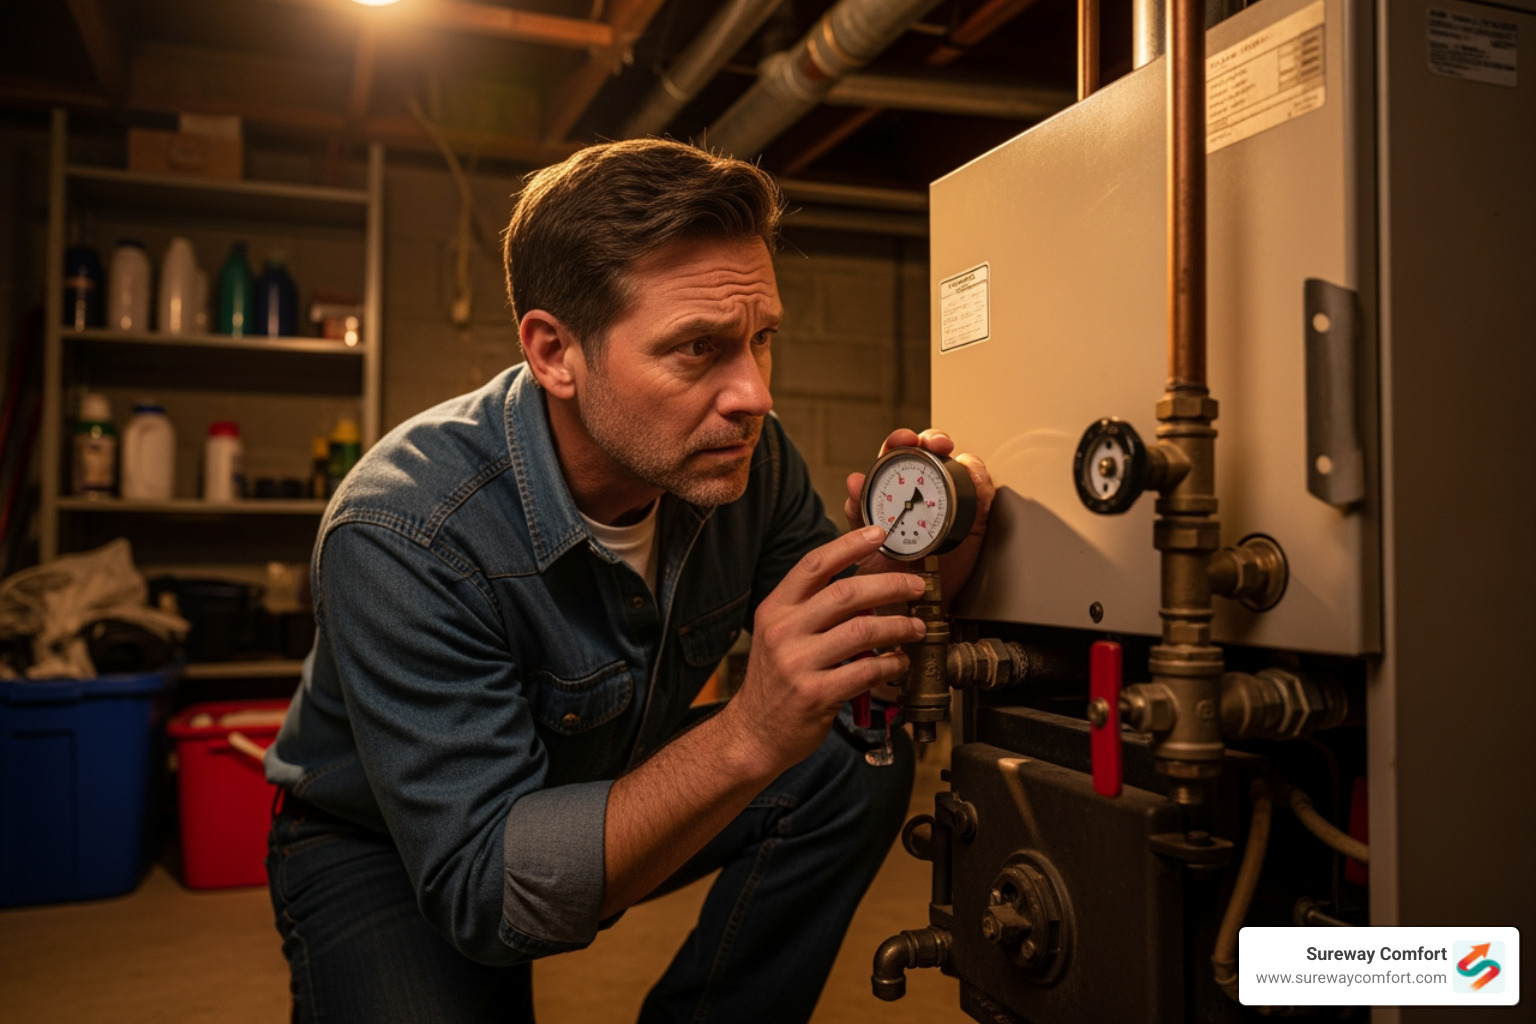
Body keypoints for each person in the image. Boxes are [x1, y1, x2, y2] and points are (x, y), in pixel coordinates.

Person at [264, 138, 993, 1023]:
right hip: (395, 842)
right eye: (698, 348)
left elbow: (839, 654)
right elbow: (489, 892)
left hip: (605, 769)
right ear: (554, 352)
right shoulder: (403, 530)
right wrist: (747, 736)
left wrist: (922, 559)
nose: (754, 393)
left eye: (761, 341)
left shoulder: (745, 464)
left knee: (853, 756)